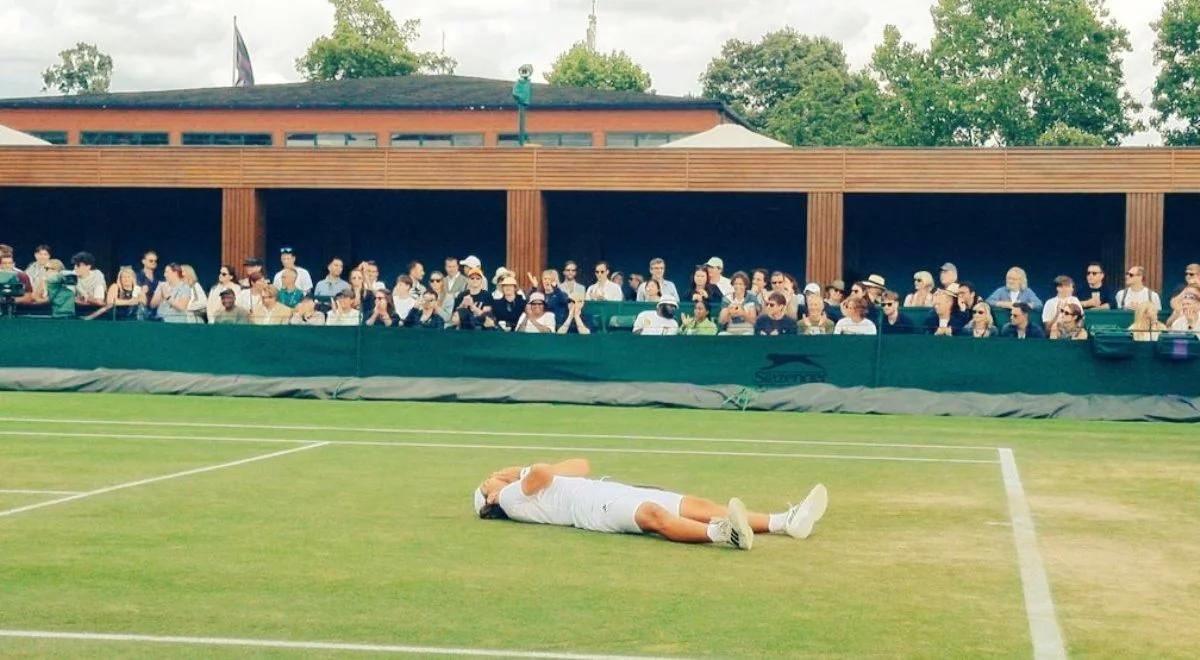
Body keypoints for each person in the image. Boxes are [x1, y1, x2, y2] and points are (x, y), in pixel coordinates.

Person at [474, 459, 829, 550]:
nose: (490, 476)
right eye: (485, 482)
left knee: (695, 503)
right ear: (489, 499)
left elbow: (581, 465)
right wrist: (511, 473)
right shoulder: (508, 498)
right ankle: (724, 535)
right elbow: (541, 471)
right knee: (653, 517)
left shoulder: (522, 488)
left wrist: (518, 472)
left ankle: (786, 521)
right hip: (592, 510)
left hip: (604, 490)